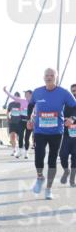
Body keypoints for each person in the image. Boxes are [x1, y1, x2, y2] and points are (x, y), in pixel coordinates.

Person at [27, 68, 76, 200]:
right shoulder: (37, 92)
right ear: (43, 77)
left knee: (52, 159)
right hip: (40, 130)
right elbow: (30, 105)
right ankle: (39, 177)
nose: (49, 77)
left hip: (56, 132)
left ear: (56, 78)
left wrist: (72, 118)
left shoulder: (64, 93)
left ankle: (48, 189)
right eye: (47, 75)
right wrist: (29, 119)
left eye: (52, 75)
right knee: (39, 156)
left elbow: (74, 106)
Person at [3, 87, 28, 158]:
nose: (16, 98)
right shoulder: (11, 104)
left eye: (17, 97)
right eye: (15, 97)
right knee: (12, 136)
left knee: (20, 137)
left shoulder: (22, 103)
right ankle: (14, 150)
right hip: (12, 122)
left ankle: (21, 148)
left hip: (20, 122)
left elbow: (26, 111)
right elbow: (8, 111)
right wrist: (8, 117)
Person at [62, 83, 76, 186]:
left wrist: (73, 119)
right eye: (73, 91)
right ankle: (66, 171)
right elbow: (62, 115)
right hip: (67, 134)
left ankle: (72, 180)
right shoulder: (67, 104)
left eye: (75, 90)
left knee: (75, 158)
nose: (74, 92)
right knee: (62, 155)